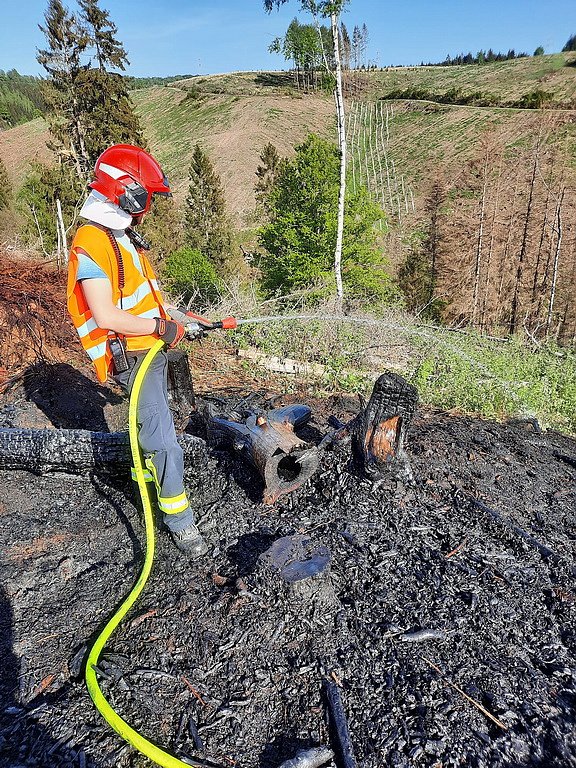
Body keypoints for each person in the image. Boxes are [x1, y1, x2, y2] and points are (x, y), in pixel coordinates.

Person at [67, 144, 209, 557]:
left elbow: (140, 297)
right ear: (127, 193)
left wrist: (181, 317)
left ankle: (147, 475)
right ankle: (180, 522)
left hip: (149, 343)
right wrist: (161, 328)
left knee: (152, 428)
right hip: (133, 354)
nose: (149, 207)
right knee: (162, 438)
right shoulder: (91, 243)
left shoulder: (120, 235)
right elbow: (107, 315)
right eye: (147, 196)